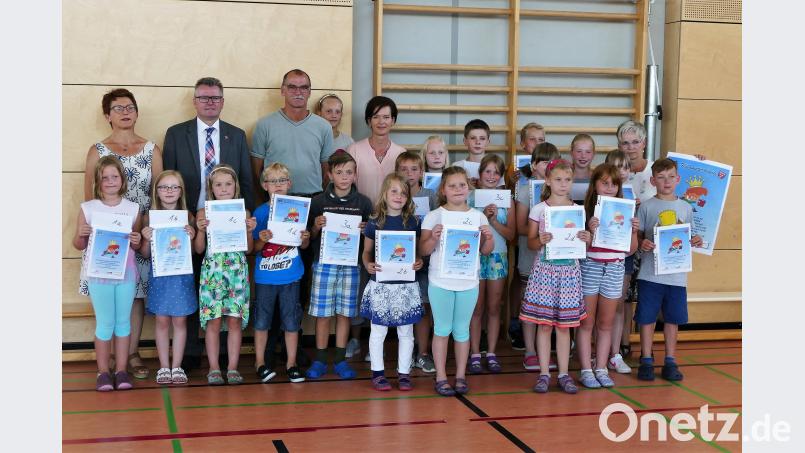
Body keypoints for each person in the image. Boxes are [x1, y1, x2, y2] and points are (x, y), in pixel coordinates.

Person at [162, 77, 255, 373]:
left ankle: (228, 359)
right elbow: (168, 178)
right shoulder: (176, 134)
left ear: (223, 101)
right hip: (189, 222)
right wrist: (188, 219)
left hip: (228, 229)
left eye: (215, 98)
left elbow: (246, 181)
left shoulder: (236, 135)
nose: (210, 102)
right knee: (190, 291)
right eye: (204, 97)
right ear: (194, 101)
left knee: (226, 296)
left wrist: (245, 218)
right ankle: (189, 354)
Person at [82, 88, 162, 380]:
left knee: (136, 294)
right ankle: (109, 361)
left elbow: (157, 195)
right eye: (117, 108)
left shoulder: (151, 148)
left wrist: (150, 233)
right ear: (107, 116)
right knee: (109, 298)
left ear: (137, 112)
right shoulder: (98, 151)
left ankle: (131, 354)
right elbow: (89, 198)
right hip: (108, 241)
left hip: (138, 232)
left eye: (129, 107)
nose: (125, 112)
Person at [420, 167, 494, 396]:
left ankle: (460, 376)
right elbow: (423, 250)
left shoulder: (478, 217)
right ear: (443, 190)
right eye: (452, 185)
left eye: (462, 185)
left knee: (462, 331)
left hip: (468, 282)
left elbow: (485, 251)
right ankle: (441, 376)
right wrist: (433, 237)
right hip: (440, 281)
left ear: (469, 188)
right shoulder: (434, 216)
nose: (458, 189)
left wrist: (488, 238)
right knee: (442, 329)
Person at [521, 159, 591, 394]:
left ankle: (563, 373)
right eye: (558, 179)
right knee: (544, 326)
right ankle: (543, 373)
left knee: (564, 327)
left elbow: (583, 245)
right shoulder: (539, 209)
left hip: (569, 273)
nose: (563, 184)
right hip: (544, 272)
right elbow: (531, 243)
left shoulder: (577, 210)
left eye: (567, 180)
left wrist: (586, 238)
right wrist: (539, 240)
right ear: (548, 181)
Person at [73, 156, 143, 391]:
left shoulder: (133, 209)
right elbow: (78, 245)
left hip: (126, 274)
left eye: (115, 176)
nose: (110, 181)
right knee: (105, 324)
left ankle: (122, 370)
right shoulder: (88, 208)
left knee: (123, 323)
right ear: (98, 181)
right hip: (99, 275)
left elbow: (137, 246)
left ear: (122, 179)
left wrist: (137, 239)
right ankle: (103, 372)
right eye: (105, 178)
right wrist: (82, 234)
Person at [305, 152, 373, 380]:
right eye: (339, 172)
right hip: (324, 264)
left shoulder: (363, 202)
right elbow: (308, 238)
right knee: (323, 315)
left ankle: (341, 359)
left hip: (351, 266)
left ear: (355, 175)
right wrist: (315, 226)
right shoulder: (318, 202)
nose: (344, 177)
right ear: (329, 174)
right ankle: (321, 359)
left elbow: (369, 240)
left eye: (349, 172)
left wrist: (366, 231)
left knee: (345, 313)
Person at [635, 158, 703, 381]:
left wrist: (694, 240)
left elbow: (687, 236)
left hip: (676, 276)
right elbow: (639, 237)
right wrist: (642, 243)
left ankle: (670, 360)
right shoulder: (646, 206)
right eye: (661, 177)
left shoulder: (685, 207)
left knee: (672, 319)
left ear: (678, 179)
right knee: (646, 318)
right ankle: (646, 359)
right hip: (650, 274)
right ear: (653, 180)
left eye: (671, 177)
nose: (666, 181)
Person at [576, 164, 639, 389]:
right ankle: (586, 369)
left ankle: (601, 368)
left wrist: (632, 231)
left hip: (615, 268)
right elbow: (579, 247)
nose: (610, 187)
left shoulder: (627, 212)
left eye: (614, 184)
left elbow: (631, 250)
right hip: (591, 267)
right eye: (604, 183)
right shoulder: (584, 212)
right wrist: (589, 231)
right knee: (586, 322)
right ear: (595, 185)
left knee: (606, 323)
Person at [193, 165, 257, 385]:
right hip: (213, 272)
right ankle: (213, 368)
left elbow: (248, 249)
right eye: (218, 184)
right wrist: (200, 230)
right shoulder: (203, 213)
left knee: (234, 321)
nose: (223, 188)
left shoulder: (244, 212)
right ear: (211, 188)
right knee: (214, 321)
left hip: (236, 272)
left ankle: (232, 368)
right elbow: (199, 249)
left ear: (235, 186)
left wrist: (249, 230)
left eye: (228, 184)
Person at [361, 174, 424, 391]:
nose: (399, 196)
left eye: (403, 192)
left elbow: (417, 253)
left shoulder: (414, 222)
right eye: (394, 191)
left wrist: (418, 262)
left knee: (406, 332)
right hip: (381, 284)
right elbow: (366, 252)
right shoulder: (374, 221)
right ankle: (378, 373)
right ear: (385, 194)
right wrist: (368, 265)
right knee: (378, 331)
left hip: (405, 285)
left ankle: (404, 373)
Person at [252, 163, 310, 384]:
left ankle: (291, 364)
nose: (277, 185)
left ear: (289, 184)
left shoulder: (298, 209)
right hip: (266, 276)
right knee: (262, 321)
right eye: (272, 181)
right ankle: (260, 363)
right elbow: (253, 249)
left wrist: (305, 238)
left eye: (282, 181)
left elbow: (303, 247)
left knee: (291, 321)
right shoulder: (260, 211)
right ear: (265, 185)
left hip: (291, 275)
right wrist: (262, 239)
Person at [138, 170, 197, 385]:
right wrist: (145, 238)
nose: (169, 191)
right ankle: (164, 366)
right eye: (164, 187)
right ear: (156, 191)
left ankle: (177, 366)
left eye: (174, 187)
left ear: (181, 191)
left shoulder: (188, 216)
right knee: (162, 320)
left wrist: (191, 236)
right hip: (160, 276)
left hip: (181, 276)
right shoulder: (149, 217)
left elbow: (191, 253)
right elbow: (144, 254)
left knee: (180, 320)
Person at [252, 68, 334, 201]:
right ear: (282, 91)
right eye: (292, 87)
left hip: (314, 199)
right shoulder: (264, 125)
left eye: (303, 87)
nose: (298, 92)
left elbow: (327, 170)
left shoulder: (324, 126)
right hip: (277, 199)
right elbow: (257, 171)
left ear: (309, 92)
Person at [468, 155, 515, 373]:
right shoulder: (469, 198)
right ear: (480, 174)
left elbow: (511, 234)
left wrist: (494, 220)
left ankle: (492, 352)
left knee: (494, 307)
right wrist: (482, 216)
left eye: (496, 172)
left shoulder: (507, 200)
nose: (491, 176)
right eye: (487, 171)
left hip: (498, 258)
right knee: (476, 308)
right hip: (474, 258)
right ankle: (475, 353)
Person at [513, 143, 560, 361]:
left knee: (552, 304)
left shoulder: (561, 192)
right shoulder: (525, 190)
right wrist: (540, 234)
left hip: (556, 262)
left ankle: (550, 347)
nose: (548, 166)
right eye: (544, 162)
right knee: (529, 304)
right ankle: (530, 350)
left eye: (553, 162)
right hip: (530, 257)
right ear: (533, 166)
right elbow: (519, 228)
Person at [395, 152, 437, 373]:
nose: (409, 174)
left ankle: (423, 353)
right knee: (404, 307)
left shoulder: (431, 195)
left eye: (414, 169)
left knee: (423, 307)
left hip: (426, 260)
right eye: (403, 169)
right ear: (396, 172)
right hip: (400, 260)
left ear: (422, 172)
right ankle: (405, 353)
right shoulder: (394, 195)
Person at [603, 150, 637, 371]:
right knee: (599, 308)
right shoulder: (598, 197)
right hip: (598, 257)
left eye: (624, 166)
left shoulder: (632, 198)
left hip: (623, 257)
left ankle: (615, 353)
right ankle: (598, 353)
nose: (621, 171)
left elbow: (634, 236)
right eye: (616, 167)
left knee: (618, 304)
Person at [346, 96, 406, 205]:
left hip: (392, 216)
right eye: (376, 117)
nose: (381, 122)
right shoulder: (353, 150)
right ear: (369, 121)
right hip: (362, 216)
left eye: (386, 117)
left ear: (393, 120)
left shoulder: (401, 153)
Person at [452, 119, 491, 184]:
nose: (478, 142)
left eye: (482, 138)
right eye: (473, 138)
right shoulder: (456, 166)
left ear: (488, 142)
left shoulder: (495, 166)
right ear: (465, 141)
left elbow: (501, 191)